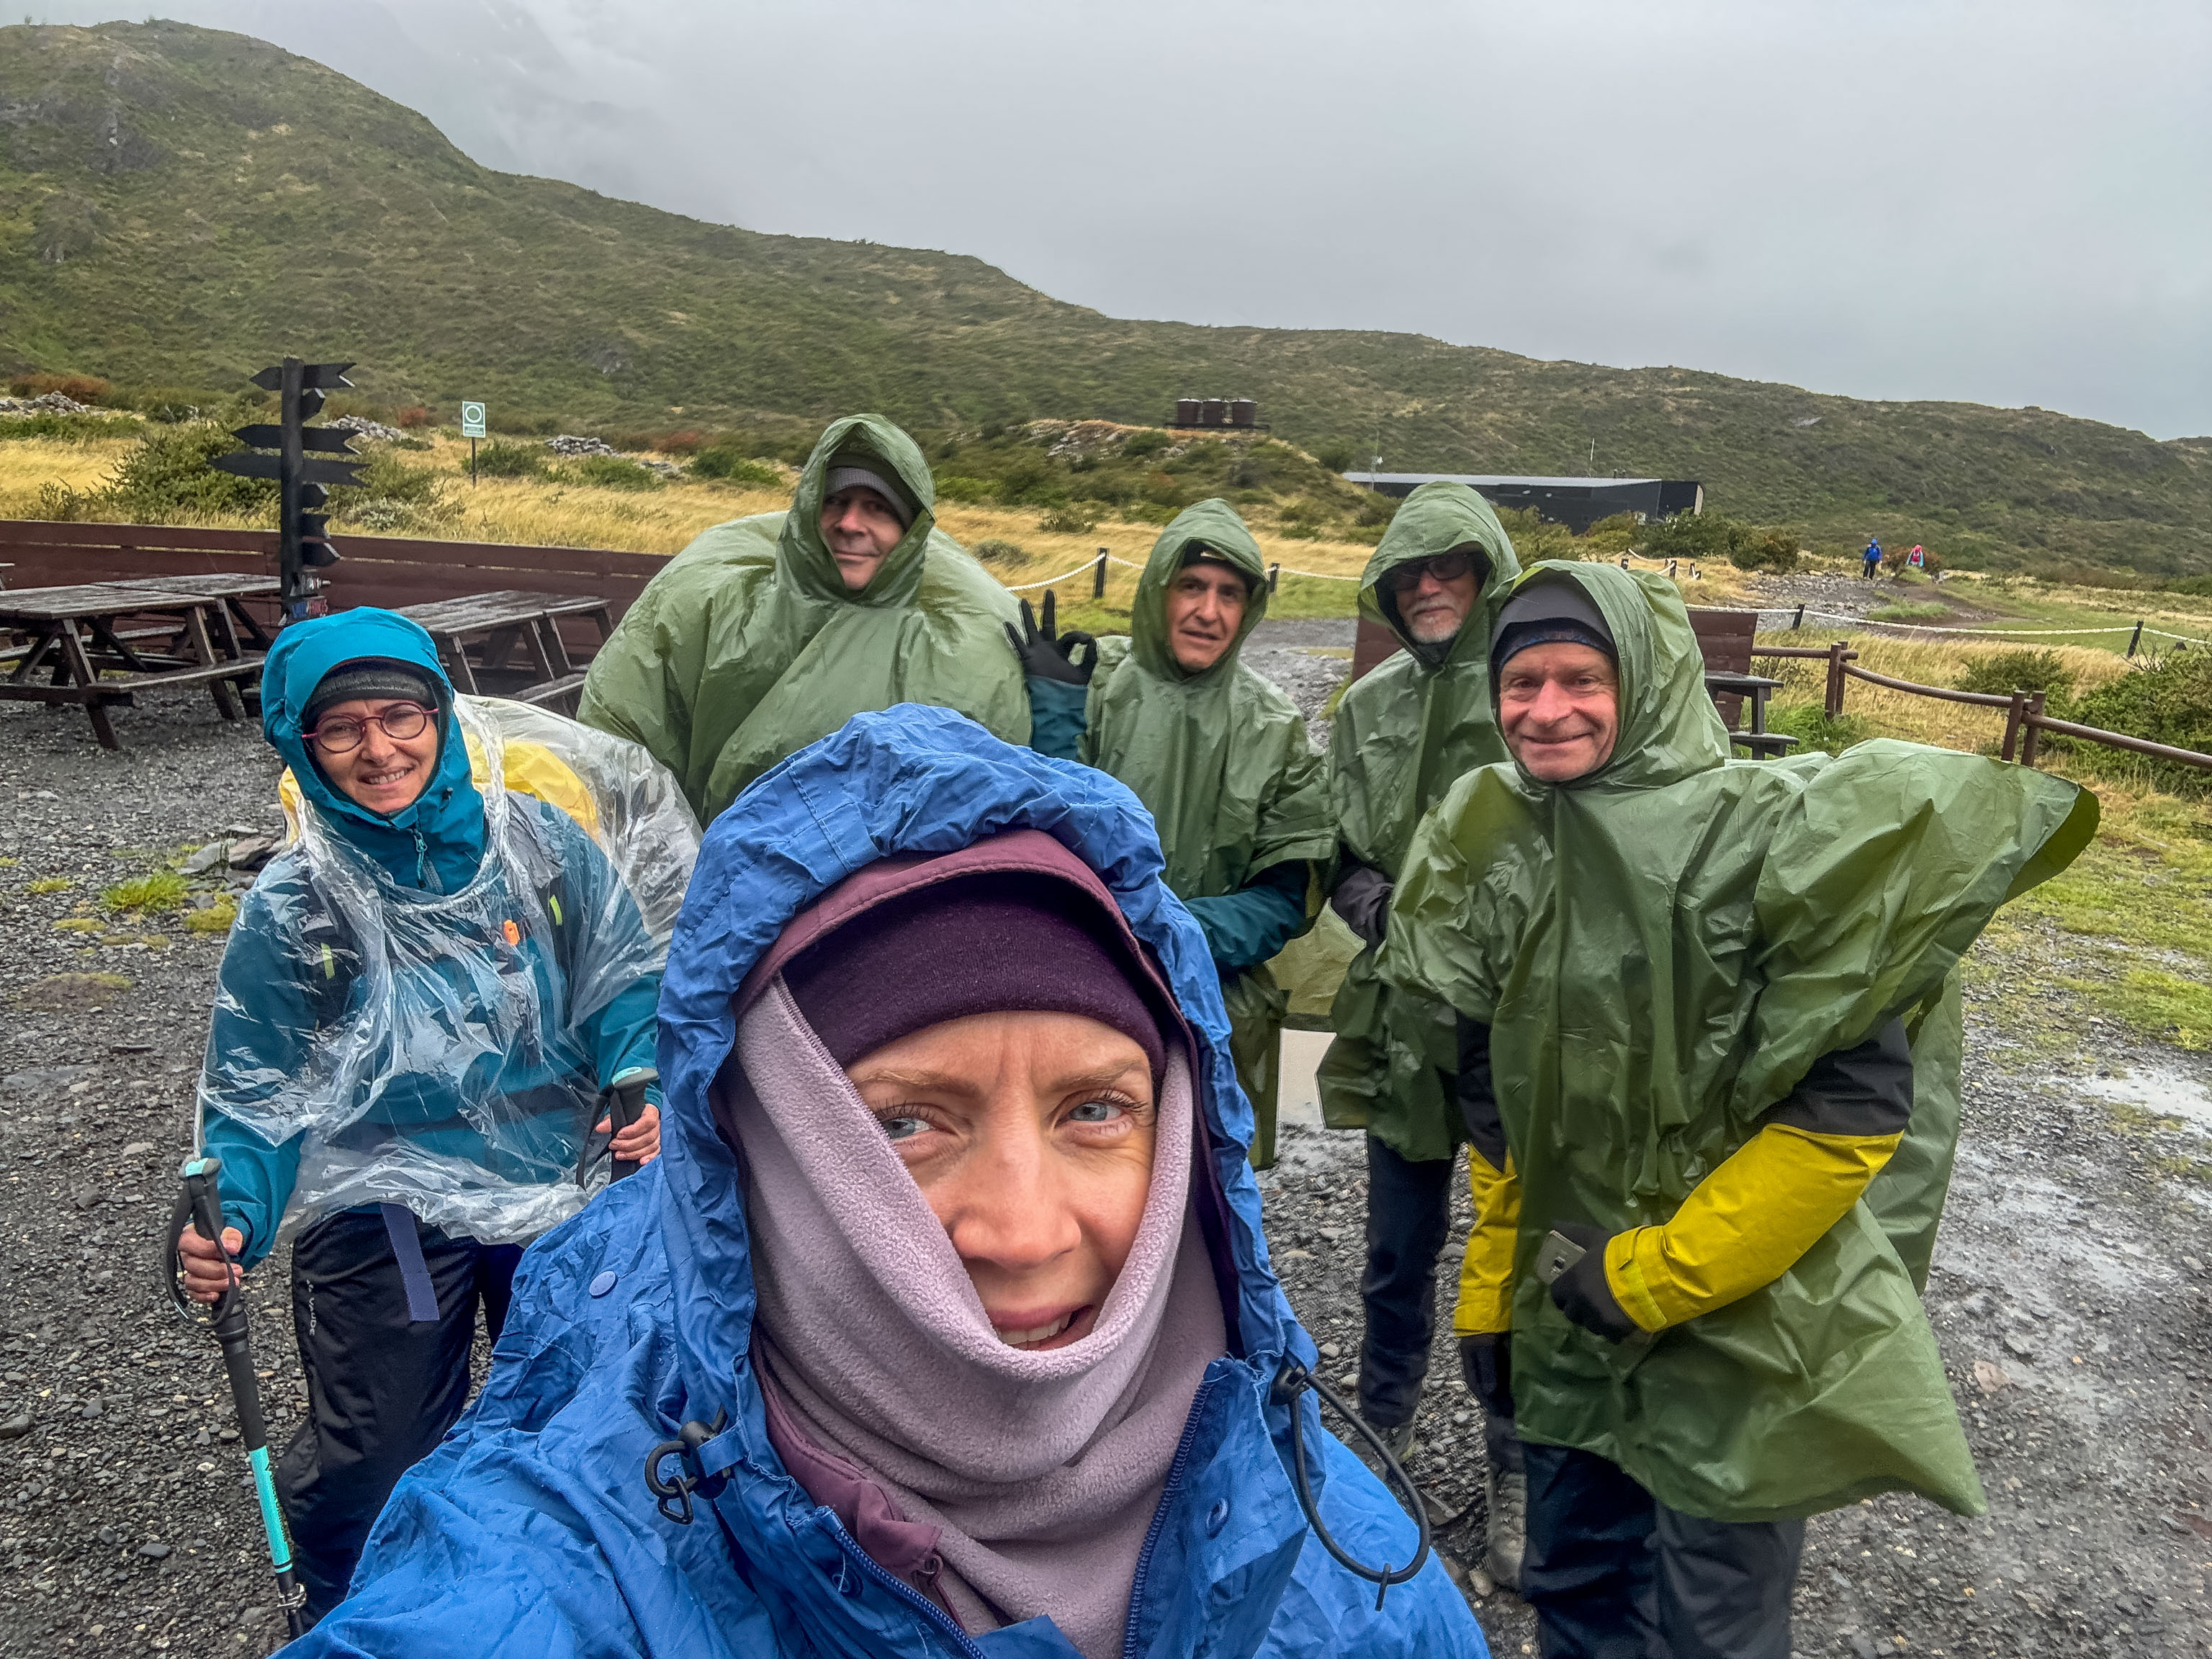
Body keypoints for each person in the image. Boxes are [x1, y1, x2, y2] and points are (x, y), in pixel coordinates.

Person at [279, 706, 1485, 1658]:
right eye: (901, 1122)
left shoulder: (1347, 1558)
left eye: (1095, 1108)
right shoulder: (558, 1564)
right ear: (760, 1153)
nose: (1024, 1232)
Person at [1382, 562, 2098, 1659]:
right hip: (1568, 1302)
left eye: (1582, 678)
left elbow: (1847, 1120)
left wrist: (1653, 1279)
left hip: (1740, 1324)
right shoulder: (1499, 840)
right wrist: (1491, 1295)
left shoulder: (1768, 840)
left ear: (1648, 682)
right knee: (1575, 1585)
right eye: (1521, 682)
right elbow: (1504, 1117)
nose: (1546, 709)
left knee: (1713, 1625)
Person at [176, 608, 697, 1622]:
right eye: (342, 728)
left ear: (441, 717)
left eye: (400, 716)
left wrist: (642, 1085)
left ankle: (575, 1612)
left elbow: (625, 986)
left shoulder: (542, 848)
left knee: (585, 1424)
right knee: (379, 1461)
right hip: (384, 1197)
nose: (379, 749)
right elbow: (255, 1089)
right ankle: (362, 1617)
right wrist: (231, 1214)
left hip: (563, 1175)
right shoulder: (294, 905)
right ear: (301, 744)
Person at [1313, 482, 1522, 1560]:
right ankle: (1381, 1429)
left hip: (1517, 1028)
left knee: (1519, 1250)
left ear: (1488, 574)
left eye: (1451, 567)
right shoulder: (1368, 707)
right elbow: (1340, 852)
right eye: (1409, 573)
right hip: (1402, 1013)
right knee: (1398, 1246)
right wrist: (1383, 910)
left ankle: (1518, 1463)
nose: (1429, 586)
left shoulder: (1531, 686)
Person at [1012, 499, 1334, 1169]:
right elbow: (1042, 830)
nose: (1208, 612)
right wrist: (1054, 717)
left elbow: (1286, 894)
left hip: (1213, 1007)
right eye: (1191, 586)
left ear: (1249, 609)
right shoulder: (1094, 683)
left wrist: (1170, 931)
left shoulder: (1275, 729)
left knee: (1207, 1202)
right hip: (1084, 990)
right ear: (1159, 590)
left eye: (1229, 594)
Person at [578, 414, 1029, 824]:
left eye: (879, 507)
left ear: (910, 530)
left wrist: (1055, 706)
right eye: (835, 501)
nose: (850, 523)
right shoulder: (719, 603)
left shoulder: (959, 644)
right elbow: (620, 734)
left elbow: (1018, 788)